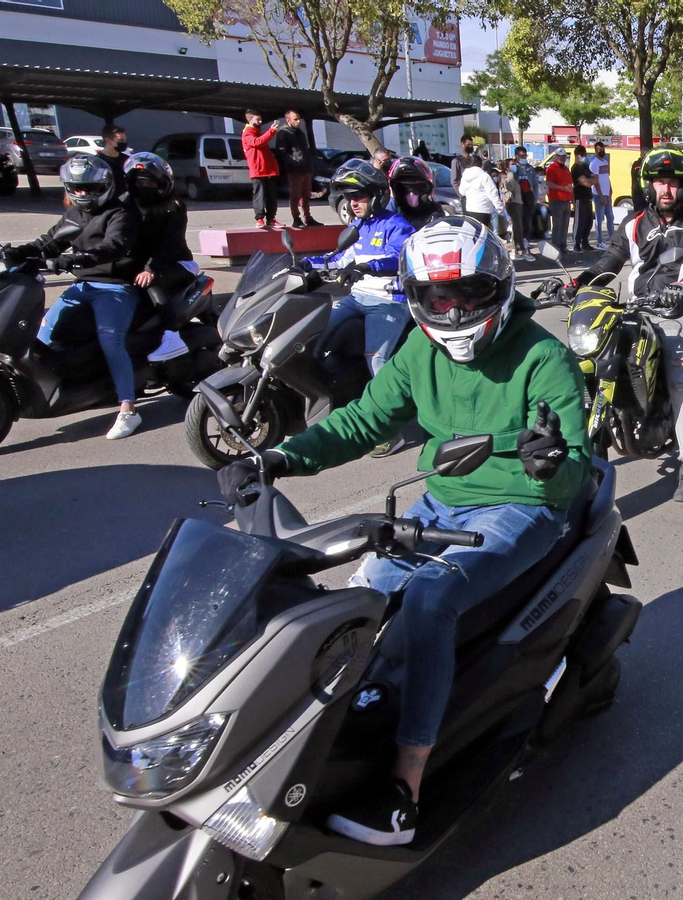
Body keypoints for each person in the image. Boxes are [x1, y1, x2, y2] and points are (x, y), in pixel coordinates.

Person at [214, 217, 588, 847]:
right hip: (442, 503)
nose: (454, 309)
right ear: (418, 298)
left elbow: (570, 468)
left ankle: (403, 790)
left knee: (431, 599)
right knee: (353, 601)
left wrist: (547, 462)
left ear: (497, 286)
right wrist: (278, 457)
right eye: (439, 298)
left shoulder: (542, 356)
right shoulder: (421, 350)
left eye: (468, 293)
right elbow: (361, 421)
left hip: (521, 508)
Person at [577, 146, 683, 502]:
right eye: (660, 183)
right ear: (649, 186)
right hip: (638, 307)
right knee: (592, 360)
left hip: (678, 310)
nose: (666, 190)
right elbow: (609, 262)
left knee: (678, 380)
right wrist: (575, 283)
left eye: (672, 183)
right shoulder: (634, 223)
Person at [14, 155, 145, 440]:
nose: (83, 194)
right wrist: (14, 252)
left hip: (115, 286)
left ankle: (128, 409)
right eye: (77, 188)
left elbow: (113, 246)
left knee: (111, 339)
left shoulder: (120, 212)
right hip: (83, 285)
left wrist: (75, 259)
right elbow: (48, 242)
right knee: (44, 331)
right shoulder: (73, 214)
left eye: (90, 188)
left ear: (104, 185)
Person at [298, 160, 416, 455]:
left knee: (377, 360)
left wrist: (368, 267)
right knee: (311, 334)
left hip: (389, 302)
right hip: (356, 299)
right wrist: (307, 264)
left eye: (358, 196)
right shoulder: (357, 227)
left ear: (376, 195)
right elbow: (337, 258)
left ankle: (391, 430)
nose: (352, 203)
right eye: (349, 198)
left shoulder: (397, 225)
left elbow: (400, 258)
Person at [124, 152, 197, 363]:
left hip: (178, 263)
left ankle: (172, 336)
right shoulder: (128, 206)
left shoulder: (174, 206)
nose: (142, 185)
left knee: (149, 283)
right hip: (142, 264)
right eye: (137, 181)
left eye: (147, 181)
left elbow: (171, 244)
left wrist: (151, 269)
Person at [275, 111, 320, 228]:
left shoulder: (300, 133)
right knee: (295, 195)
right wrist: (294, 162)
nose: (298, 121)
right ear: (288, 120)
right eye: (295, 119)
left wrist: (309, 165)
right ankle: (296, 218)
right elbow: (281, 152)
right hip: (294, 170)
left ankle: (308, 218)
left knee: (306, 195)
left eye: (299, 119)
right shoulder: (283, 133)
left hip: (306, 169)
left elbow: (305, 150)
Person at [240, 110, 281, 228]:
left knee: (271, 196)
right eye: (258, 120)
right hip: (258, 171)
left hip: (268, 170)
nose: (260, 122)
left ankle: (271, 218)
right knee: (259, 195)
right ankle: (259, 219)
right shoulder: (247, 133)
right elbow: (257, 142)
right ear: (250, 120)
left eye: (260, 119)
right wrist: (271, 132)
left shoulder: (257, 132)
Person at [387, 156, 442, 229]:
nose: (411, 194)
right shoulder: (390, 210)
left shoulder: (434, 212)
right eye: (402, 188)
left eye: (419, 187)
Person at [459, 155, 506, 230]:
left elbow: (462, 192)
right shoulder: (484, 176)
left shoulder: (465, 176)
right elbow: (492, 193)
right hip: (483, 209)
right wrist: (500, 208)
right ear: (481, 164)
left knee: (473, 234)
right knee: (482, 234)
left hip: (469, 209)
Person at [544, 148, 574, 253]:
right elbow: (549, 183)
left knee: (565, 225)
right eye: (560, 156)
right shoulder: (552, 168)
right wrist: (562, 188)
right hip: (557, 200)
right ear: (556, 157)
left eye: (564, 157)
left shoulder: (566, 169)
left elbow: (570, 185)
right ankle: (555, 246)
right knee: (557, 225)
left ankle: (563, 245)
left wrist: (572, 199)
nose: (562, 159)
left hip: (566, 200)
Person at [500, 158, 527, 258]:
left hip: (517, 203)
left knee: (518, 227)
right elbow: (508, 187)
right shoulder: (509, 176)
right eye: (512, 164)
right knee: (517, 227)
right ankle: (516, 248)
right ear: (507, 167)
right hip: (513, 203)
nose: (514, 166)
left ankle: (518, 248)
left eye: (514, 164)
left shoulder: (515, 176)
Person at [571, 147, 595, 251]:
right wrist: (589, 181)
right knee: (579, 221)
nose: (583, 157)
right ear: (577, 155)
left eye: (584, 155)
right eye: (581, 155)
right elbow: (585, 183)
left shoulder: (585, 167)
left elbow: (595, 178)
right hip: (579, 197)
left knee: (588, 221)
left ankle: (585, 242)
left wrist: (589, 181)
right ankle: (576, 244)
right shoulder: (576, 168)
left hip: (588, 197)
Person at [512, 146, 539, 241]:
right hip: (518, 199)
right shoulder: (513, 168)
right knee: (518, 223)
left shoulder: (530, 168)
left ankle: (526, 243)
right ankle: (517, 244)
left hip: (529, 198)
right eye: (521, 156)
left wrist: (535, 198)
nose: (524, 158)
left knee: (527, 222)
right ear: (516, 156)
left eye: (525, 156)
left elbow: (535, 185)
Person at [97, 125, 131, 198]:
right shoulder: (97, 162)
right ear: (108, 141)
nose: (124, 143)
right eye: (120, 140)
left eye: (124, 140)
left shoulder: (128, 160)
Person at [591, 140, 613, 248]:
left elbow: (606, 177)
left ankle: (613, 240)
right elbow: (595, 182)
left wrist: (610, 189)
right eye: (599, 149)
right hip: (599, 195)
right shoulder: (594, 164)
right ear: (595, 151)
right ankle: (600, 242)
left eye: (603, 149)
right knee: (599, 219)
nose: (602, 151)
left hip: (607, 193)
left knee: (610, 217)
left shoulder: (605, 161)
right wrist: (601, 196)